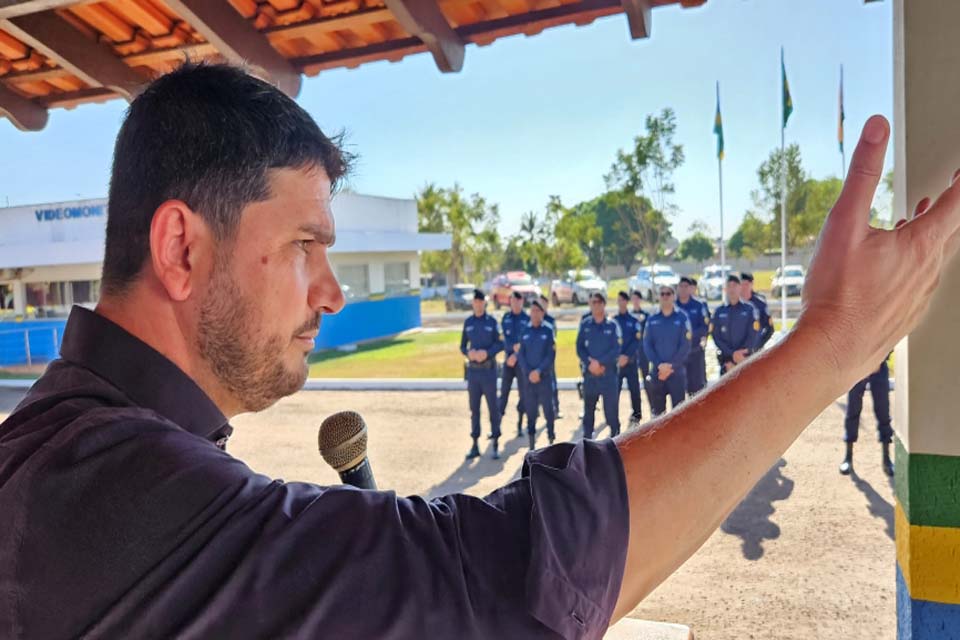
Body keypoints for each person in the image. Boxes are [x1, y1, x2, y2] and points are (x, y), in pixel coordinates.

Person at [1, 66, 957, 639]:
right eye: (304, 247)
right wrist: (835, 340)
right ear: (180, 248)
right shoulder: (121, 491)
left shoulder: (63, 452)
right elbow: (507, 575)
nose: (331, 292)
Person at [460, 289, 504, 460]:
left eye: (481, 302)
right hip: (473, 373)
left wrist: (487, 353)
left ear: (484, 303)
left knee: (493, 407)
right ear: (473, 303)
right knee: (474, 409)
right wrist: (467, 353)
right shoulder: (468, 322)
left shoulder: (492, 322)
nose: (478, 305)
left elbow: (501, 344)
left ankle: (495, 443)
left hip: (488, 372)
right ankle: (475, 444)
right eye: (475, 302)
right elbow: (463, 345)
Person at [576, 292, 622, 439]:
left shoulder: (612, 325)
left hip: (608, 376)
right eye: (593, 302)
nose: (595, 305)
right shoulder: (585, 324)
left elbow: (616, 349)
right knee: (588, 414)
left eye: (598, 302)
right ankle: (588, 447)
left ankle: (615, 444)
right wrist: (590, 363)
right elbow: (579, 347)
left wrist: (600, 363)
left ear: (604, 304)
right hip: (590, 376)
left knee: (611, 413)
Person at [840, 355, 894, 476]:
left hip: (879, 367)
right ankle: (848, 457)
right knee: (853, 411)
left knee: (883, 412)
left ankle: (886, 459)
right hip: (858, 367)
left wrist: (881, 358)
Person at [642, 286, 692, 416]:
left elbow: (685, 345)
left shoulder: (682, 318)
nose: (665, 296)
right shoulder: (652, 319)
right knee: (658, 417)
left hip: (676, 373)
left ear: (673, 296)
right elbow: (647, 345)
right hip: (658, 373)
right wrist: (660, 365)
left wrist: (671, 366)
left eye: (668, 294)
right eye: (662, 294)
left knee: (679, 415)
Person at [518, 299, 557, 449]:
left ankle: (551, 437)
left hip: (544, 379)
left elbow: (550, 355)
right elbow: (521, 355)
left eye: (537, 311)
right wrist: (529, 372)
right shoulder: (525, 331)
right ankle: (532, 444)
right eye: (532, 311)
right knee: (531, 412)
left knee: (548, 410)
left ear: (542, 313)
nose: (534, 314)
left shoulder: (548, 330)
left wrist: (539, 371)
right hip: (529, 381)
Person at [712, 274, 760, 375]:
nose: (732, 289)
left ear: (740, 288)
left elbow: (753, 334)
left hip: (744, 360)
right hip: (726, 362)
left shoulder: (750, 309)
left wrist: (739, 356)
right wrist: (732, 355)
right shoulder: (719, 311)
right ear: (725, 289)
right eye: (729, 286)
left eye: (734, 285)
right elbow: (716, 337)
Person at [499, 290, 529, 437]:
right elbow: (503, 339)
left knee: (523, 394)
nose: (515, 304)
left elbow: (527, 342)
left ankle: (519, 423)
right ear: (510, 302)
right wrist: (512, 351)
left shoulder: (527, 319)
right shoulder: (505, 318)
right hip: (508, 362)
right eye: (513, 301)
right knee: (503, 393)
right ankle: (497, 426)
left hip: (521, 363)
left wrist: (517, 354)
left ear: (522, 302)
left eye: (518, 301)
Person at [613, 291, 644, 427]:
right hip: (618, 363)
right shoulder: (613, 321)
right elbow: (611, 342)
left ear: (626, 302)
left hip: (631, 362)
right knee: (614, 391)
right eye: (618, 300)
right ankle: (613, 418)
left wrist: (627, 356)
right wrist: (618, 357)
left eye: (623, 300)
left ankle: (636, 416)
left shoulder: (634, 321)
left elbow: (637, 341)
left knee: (635, 391)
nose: (621, 303)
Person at [676, 276, 710, 396]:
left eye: (686, 286)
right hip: (678, 354)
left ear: (690, 288)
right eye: (681, 286)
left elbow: (705, 327)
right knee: (678, 389)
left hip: (695, 351)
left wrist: (690, 336)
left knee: (696, 389)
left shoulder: (699, 306)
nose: (684, 289)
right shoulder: (673, 306)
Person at [539, 293, 562, 419]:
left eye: (544, 303)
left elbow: (554, 340)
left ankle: (555, 408)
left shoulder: (550, 321)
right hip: (536, 359)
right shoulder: (533, 319)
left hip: (548, 358)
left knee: (552, 382)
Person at [740, 272, 774, 351]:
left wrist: (758, 345)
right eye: (742, 284)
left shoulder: (760, 303)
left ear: (752, 284)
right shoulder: (734, 302)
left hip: (755, 349)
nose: (744, 287)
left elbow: (769, 328)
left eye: (746, 284)